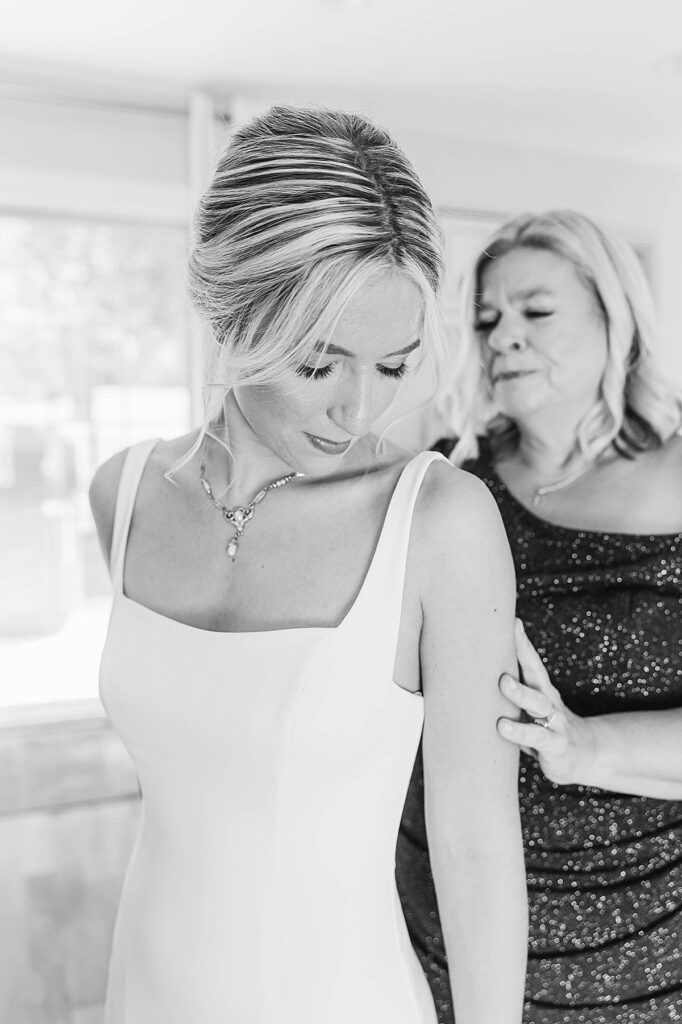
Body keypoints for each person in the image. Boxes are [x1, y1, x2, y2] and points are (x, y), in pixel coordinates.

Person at [89, 106, 528, 1024]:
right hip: (144, 990)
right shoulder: (122, 494)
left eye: (394, 365)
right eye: (320, 366)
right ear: (231, 307)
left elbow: (475, 843)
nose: (358, 410)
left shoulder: (440, 522)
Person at [398, 209, 682, 1023]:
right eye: (486, 318)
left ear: (614, 317)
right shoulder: (448, 480)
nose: (502, 337)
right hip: (448, 946)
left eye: (536, 310)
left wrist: (587, 744)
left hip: (649, 957)